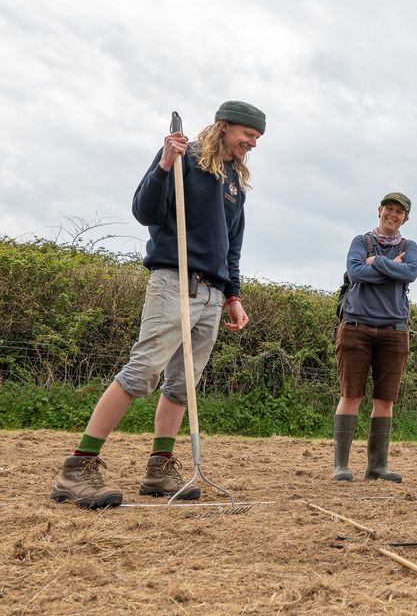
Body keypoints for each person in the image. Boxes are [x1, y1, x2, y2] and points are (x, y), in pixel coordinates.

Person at [50, 101, 266, 509]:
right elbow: (144, 211)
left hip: (212, 292)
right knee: (143, 371)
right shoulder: (183, 157)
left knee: (183, 384)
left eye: (257, 138)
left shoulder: (235, 180)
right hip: (174, 280)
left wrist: (233, 295)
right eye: (248, 135)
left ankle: (159, 468)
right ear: (224, 127)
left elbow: (233, 245)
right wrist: (165, 164)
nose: (252, 144)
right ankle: (77, 467)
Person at [332, 192, 417, 483]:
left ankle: (377, 467)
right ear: (379, 211)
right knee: (351, 395)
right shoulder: (360, 241)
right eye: (389, 209)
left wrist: (377, 264)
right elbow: (355, 273)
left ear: (405, 218)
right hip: (356, 326)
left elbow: (411, 273)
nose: (392, 215)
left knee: (385, 399)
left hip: (395, 330)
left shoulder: (411, 246)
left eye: (399, 212)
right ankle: (341, 466)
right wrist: (393, 267)